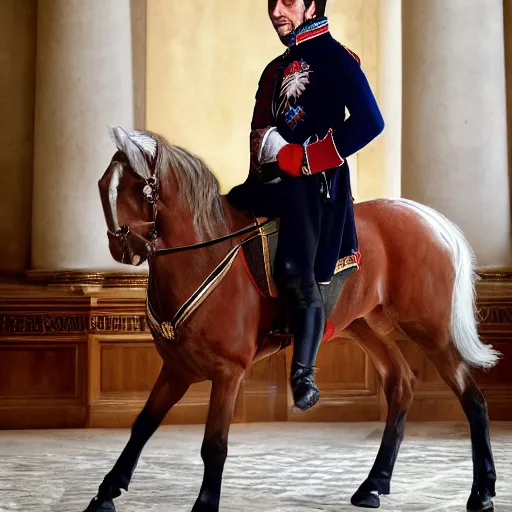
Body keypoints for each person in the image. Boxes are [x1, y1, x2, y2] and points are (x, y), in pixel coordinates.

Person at [228, 0, 384, 411]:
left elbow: (371, 121)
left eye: (289, 1)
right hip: (271, 182)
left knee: (296, 267)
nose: (277, 10)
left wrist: (306, 159)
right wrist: (274, 150)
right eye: (272, 2)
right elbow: (259, 129)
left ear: (312, 6)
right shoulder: (274, 69)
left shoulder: (336, 58)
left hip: (318, 188)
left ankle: (303, 370)